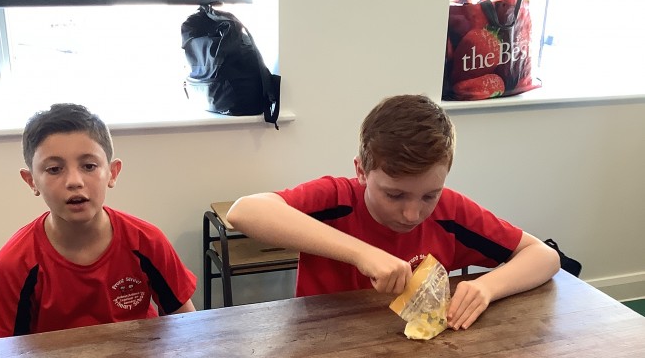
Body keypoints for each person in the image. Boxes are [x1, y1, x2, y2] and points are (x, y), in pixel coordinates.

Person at [227, 94, 560, 331]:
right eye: (395, 195)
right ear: (361, 171)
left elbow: (544, 256)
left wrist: (487, 287)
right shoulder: (337, 198)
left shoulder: (451, 211)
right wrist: (362, 253)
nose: (412, 214)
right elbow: (245, 211)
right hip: (322, 347)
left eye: (429, 195)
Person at [0, 103, 197, 338]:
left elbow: (187, 324)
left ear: (112, 173)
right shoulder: (14, 264)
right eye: (54, 169)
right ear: (31, 181)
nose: (74, 181)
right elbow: (4, 353)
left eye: (89, 166)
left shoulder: (147, 241)